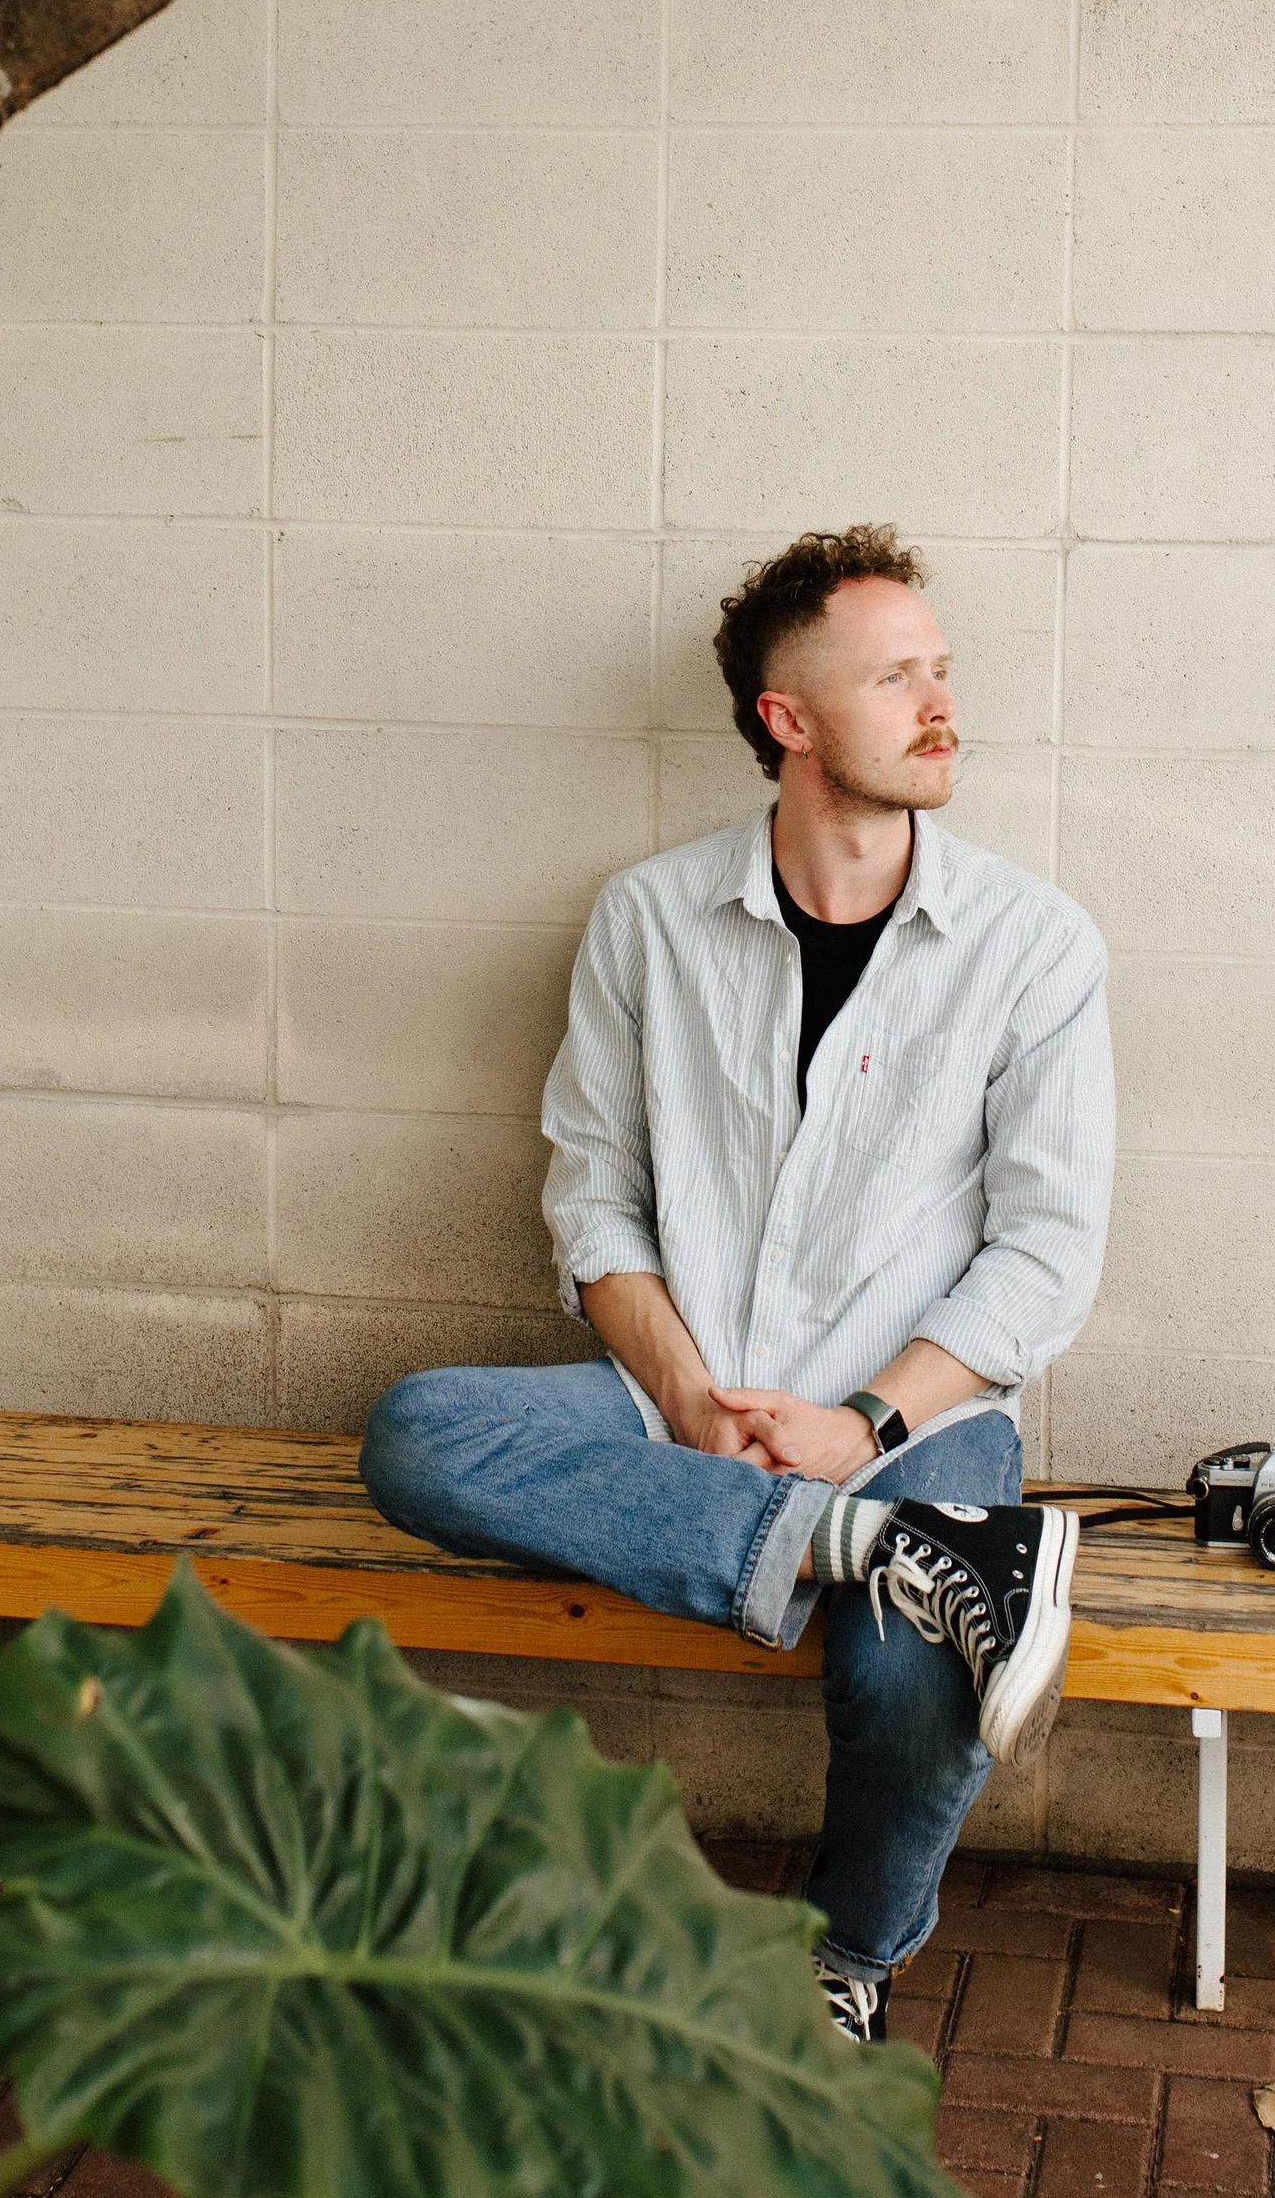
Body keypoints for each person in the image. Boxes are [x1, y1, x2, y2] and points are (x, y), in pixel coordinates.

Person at [359, 525, 1115, 2044]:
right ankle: (883, 1549)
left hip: (921, 1419)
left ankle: (851, 1952)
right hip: (681, 1386)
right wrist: (692, 1392)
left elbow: (1046, 1253)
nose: (939, 702)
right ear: (790, 718)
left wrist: (863, 1431)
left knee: (912, 1671)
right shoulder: (650, 917)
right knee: (415, 1432)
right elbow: (592, 1192)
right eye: (895, 675)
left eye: (941, 670)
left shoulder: (1033, 945)